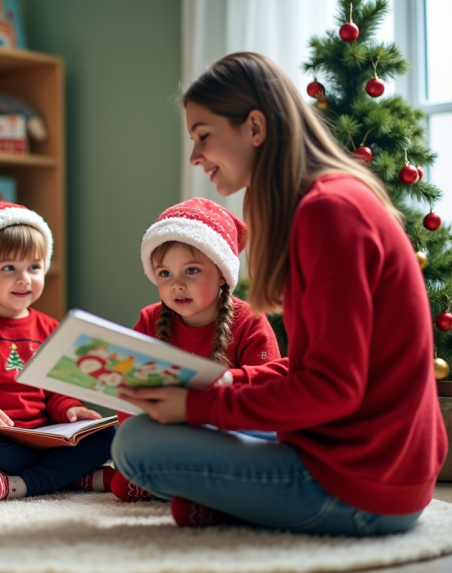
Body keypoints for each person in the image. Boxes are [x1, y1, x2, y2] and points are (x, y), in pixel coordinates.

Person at [112, 52, 447, 536]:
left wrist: (200, 407)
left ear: (254, 127)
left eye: (203, 135)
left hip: (364, 488)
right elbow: (319, 369)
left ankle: (242, 502)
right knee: (184, 420)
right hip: (376, 467)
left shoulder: (329, 213)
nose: (195, 157)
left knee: (136, 444)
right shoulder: (329, 201)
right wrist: (222, 386)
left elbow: (333, 388)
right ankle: (234, 503)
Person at [0, 202, 116, 504]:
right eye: (9, 268)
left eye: (34, 267)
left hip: (43, 436)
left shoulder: (51, 328)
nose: (24, 279)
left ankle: (27, 481)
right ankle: (66, 476)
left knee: (106, 436)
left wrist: (71, 409)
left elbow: (56, 392)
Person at [109, 197, 282, 502]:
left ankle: (185, 488)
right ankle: (199, 491)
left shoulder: (250, 321)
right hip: (174, 434)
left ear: (221, 274)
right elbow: (130, 398)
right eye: (165, 274)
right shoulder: (150, 319)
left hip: (230, 435)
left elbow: (269, 402)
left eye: (191, 271)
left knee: (272, 443)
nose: (177, 284)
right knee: (124, 440)